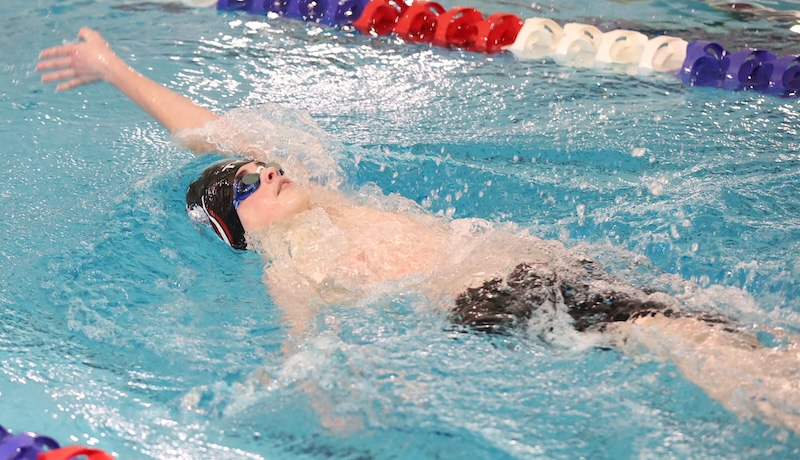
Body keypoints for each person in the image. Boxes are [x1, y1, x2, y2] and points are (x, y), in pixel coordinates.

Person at [37, 28, 800, 434]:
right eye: (245, 186)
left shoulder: (323, 195)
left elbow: (208, 131)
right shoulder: (288, 262)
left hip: (539, 267)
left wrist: (113, 67)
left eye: (260, 167)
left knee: (716, 327)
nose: (265, 173)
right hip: (498, 294)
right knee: (673, 336)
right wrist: (320, 397)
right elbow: (304, 343)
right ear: (236, 227)